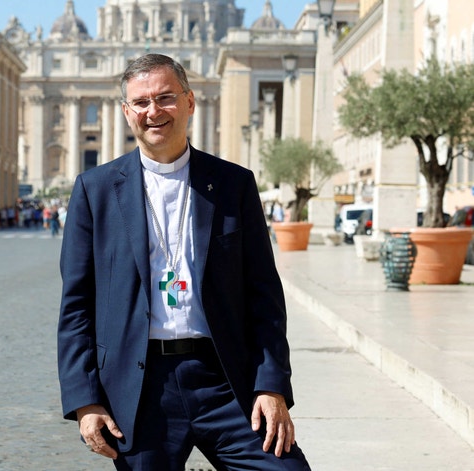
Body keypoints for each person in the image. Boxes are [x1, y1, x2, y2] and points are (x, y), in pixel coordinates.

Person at [57, 54, 310, 470]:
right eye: (141, 103)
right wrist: (85, 400)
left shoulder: (234, 184)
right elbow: (76, 306)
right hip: (139, 387)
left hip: (225, 378)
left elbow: (264, 295)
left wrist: (272, 385)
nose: (153, 112)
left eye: (166, 98)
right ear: (126, 112)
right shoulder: (94, 190)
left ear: (190, 102)